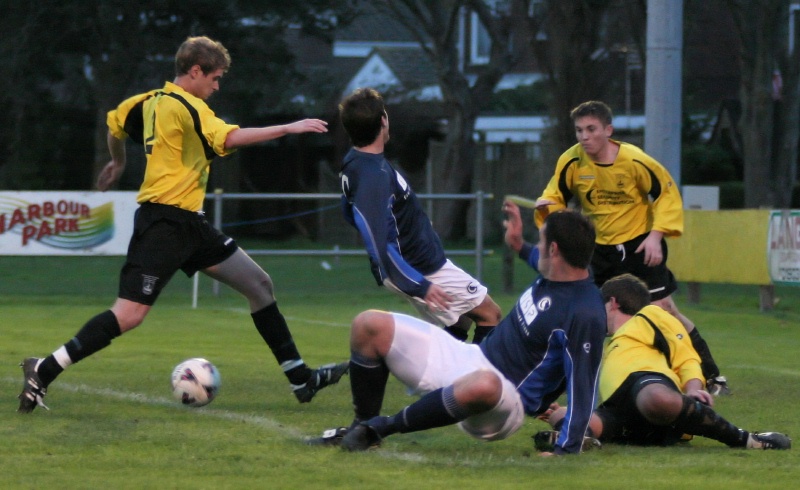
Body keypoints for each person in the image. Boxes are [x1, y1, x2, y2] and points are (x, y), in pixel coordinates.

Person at [17, 36, 348, 413]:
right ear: (195, 71)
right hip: (164, 223)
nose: (217, 86)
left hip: (191, 223)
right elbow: (230, 137)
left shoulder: (144, 101)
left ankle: (300, 379)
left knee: (259, 284)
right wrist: (287, 128)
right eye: (215, 78)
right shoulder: (189, 105)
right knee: (129, 314)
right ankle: (43, 369)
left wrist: (119, 162)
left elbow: (115, 126)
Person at [310, 209, 607, 455]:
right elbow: (538, 260)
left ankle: (381, 427)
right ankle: (360, 429)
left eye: (540, 242)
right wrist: (518, 244)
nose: (537, 248)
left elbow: (584, 384)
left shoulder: (585, 312)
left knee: (486, 383)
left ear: (554, 250)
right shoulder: (560, 271)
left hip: (505, 403)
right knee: (369, 324)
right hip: (472, 357)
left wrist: (566, 449)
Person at [513, 100, 729, 395]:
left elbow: (666, 194)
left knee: (663, 311)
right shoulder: (572, 161)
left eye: (591, 129)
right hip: (599, 251)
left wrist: (655, 236)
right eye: (579, 130)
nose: (584, 136)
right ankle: (557, 382)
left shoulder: (634, 160)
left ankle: (710, 375)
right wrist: (548, 210)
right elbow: (555, 198)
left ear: (608, 130)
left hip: (639, 244)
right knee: (590, 314)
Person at [535, 273, 791, 451]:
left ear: (612, 303)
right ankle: (580, 437)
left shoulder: (649, 314)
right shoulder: (609, 343)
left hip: (645, 382)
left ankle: (746, 439)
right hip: (619, 409)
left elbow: (686, 354)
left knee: (657, 398)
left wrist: (692, 388)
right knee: (563, 414)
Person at [336, 87, 501, 344]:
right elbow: (379, 244)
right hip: (420, 267)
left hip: (417, 264)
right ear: (383, 120)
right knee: (490, 314)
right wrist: (420, 285)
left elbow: (350, 212)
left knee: (459, 322)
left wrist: (414, 226)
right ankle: (476, 379)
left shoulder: (357, 161)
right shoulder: (373, 175)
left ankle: (440, 380)